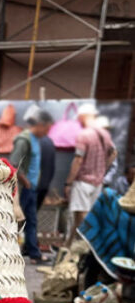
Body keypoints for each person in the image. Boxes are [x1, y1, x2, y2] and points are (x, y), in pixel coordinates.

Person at [65, 103, 117, 245]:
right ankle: (68, 246)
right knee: (79, 218)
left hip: (83, 181)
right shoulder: (105, 134)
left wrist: (68, 182)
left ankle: (88, 246)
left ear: (83, 117)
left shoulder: (84, 135)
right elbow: (114, 153)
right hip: (97, 182)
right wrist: (102, 169)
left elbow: (78, 160)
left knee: (82, 215)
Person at [9, 110, 54, 263]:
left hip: (31, 188)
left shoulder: (36, 140)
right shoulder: (24, 139)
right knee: (15, 220)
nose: (48, 132)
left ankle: (34, 255)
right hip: (23, 189)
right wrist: (25, 181)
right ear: (40, 125)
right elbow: (14, 163)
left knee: (31, 221)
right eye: (47, 128)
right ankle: (6, 253)